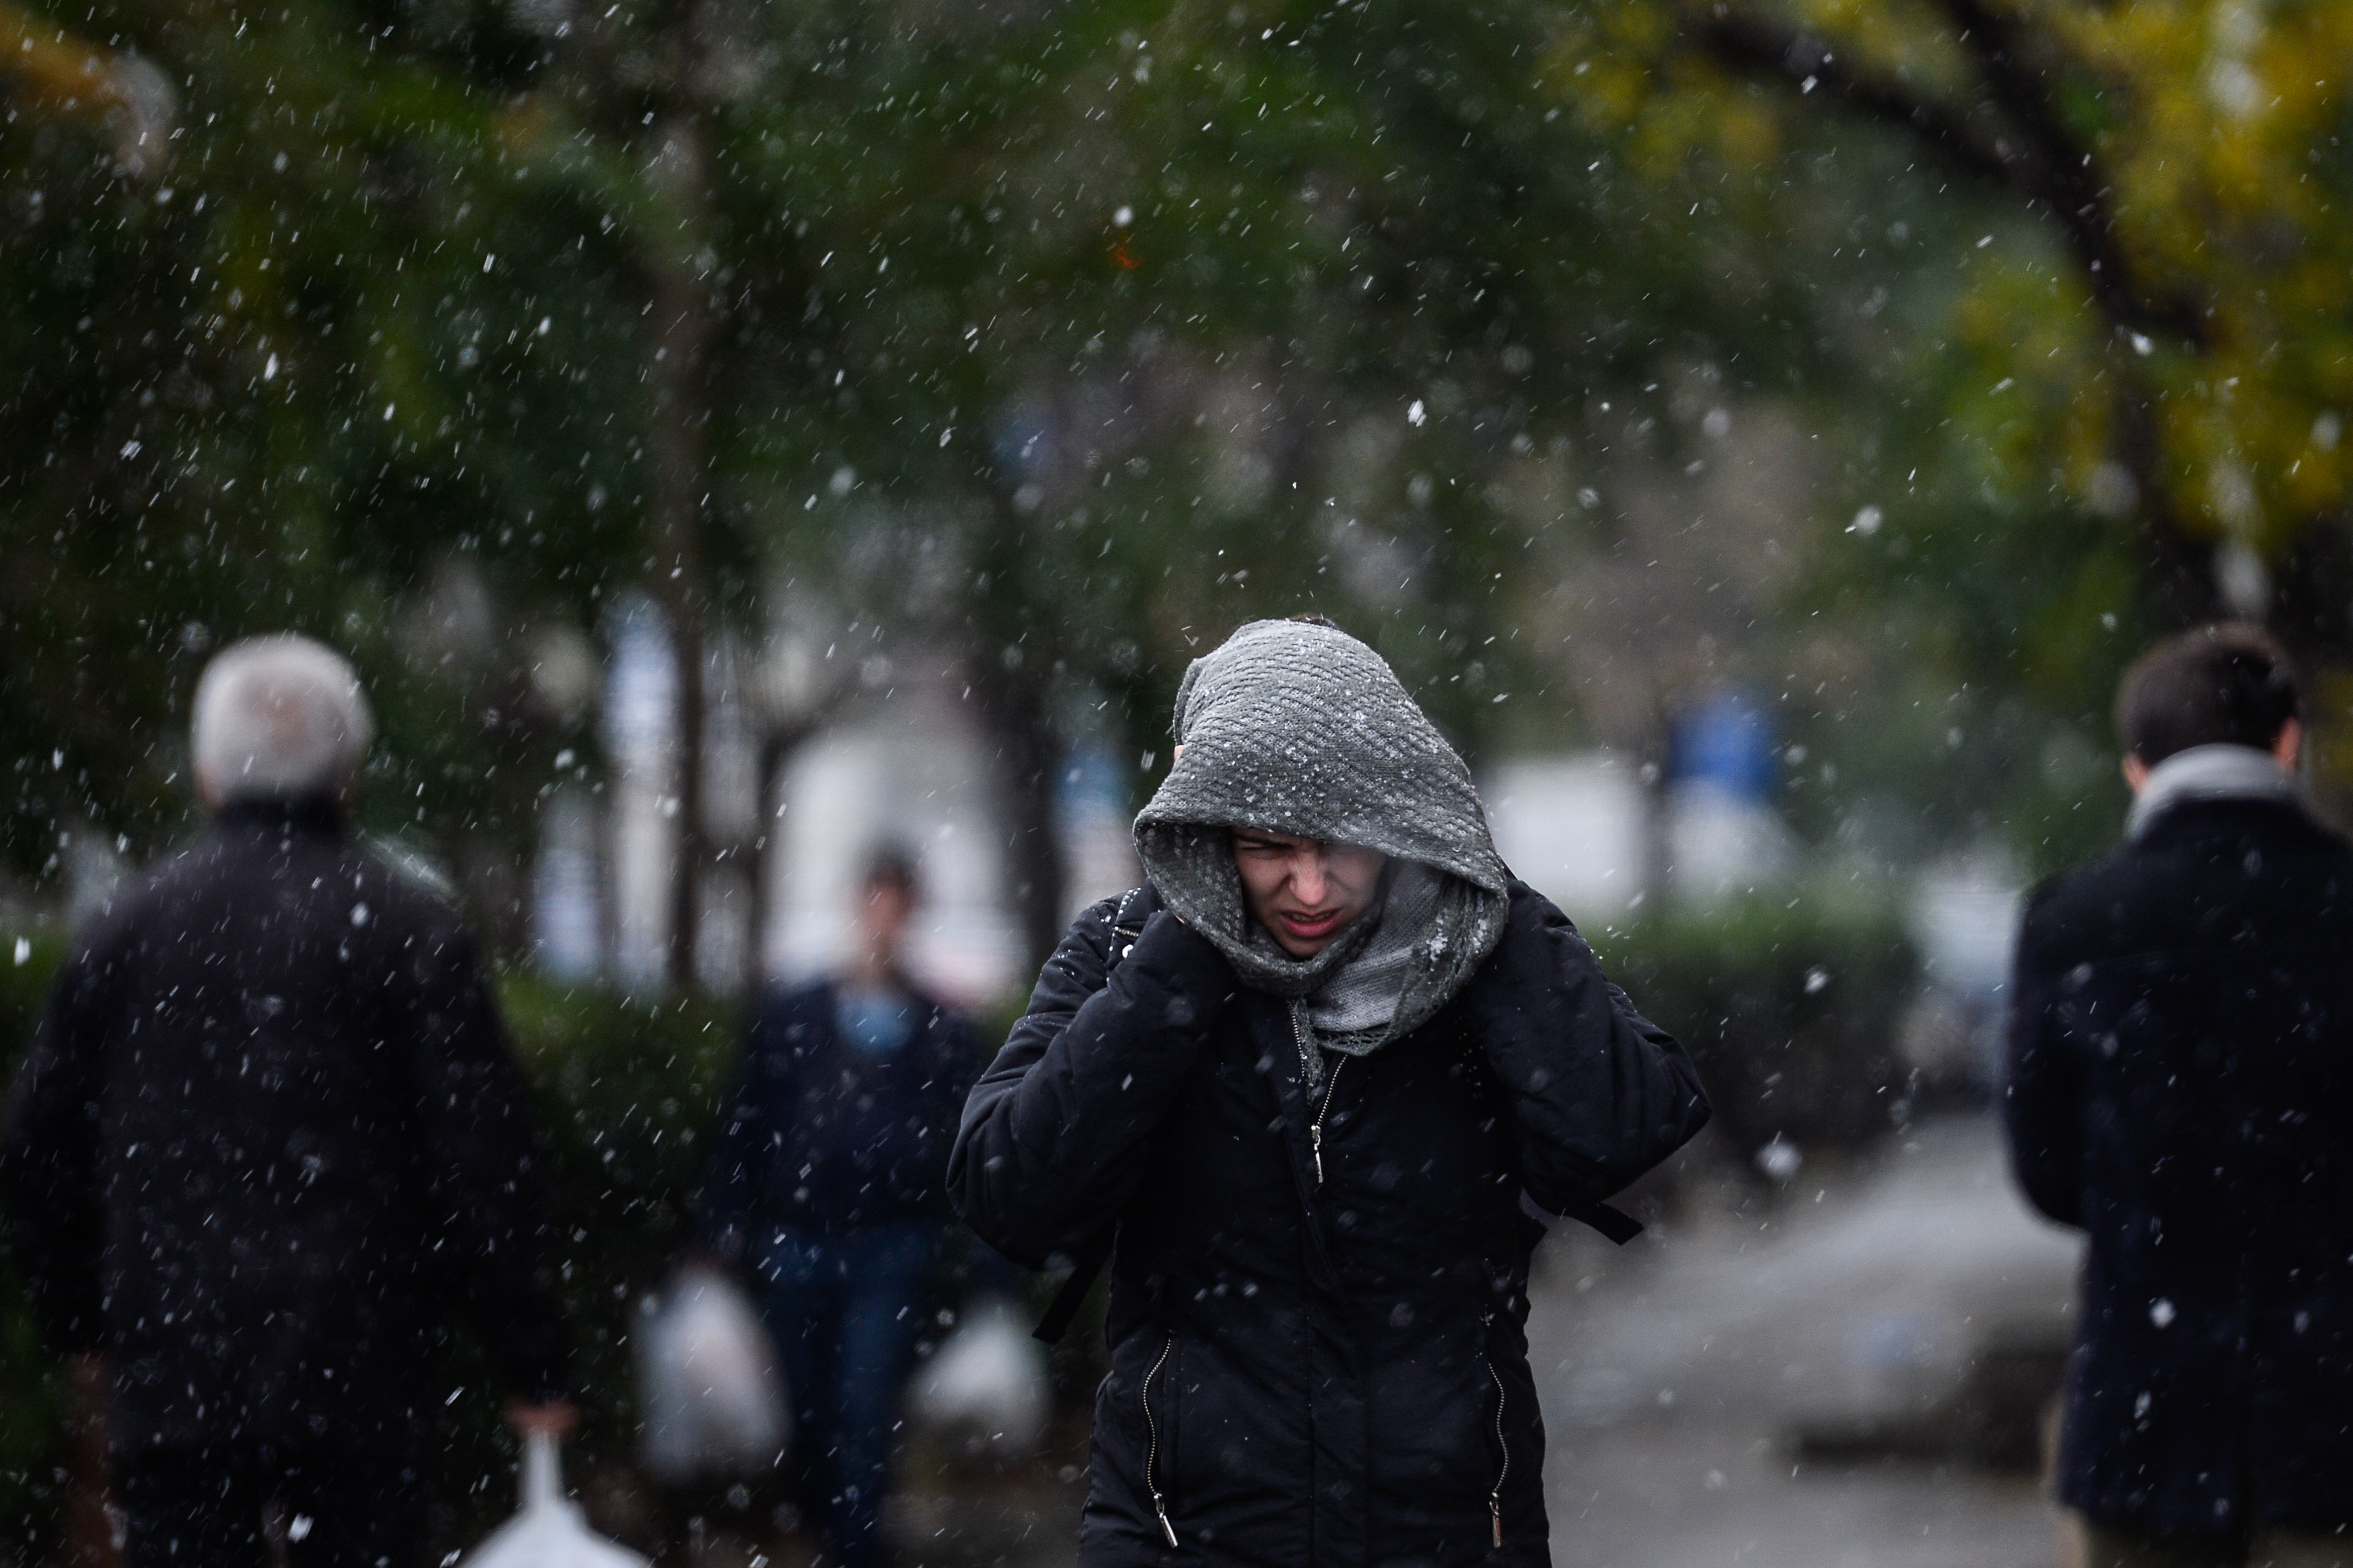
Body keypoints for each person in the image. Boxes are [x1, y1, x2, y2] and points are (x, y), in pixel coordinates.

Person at [950, 617, 1711, 1568]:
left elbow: (1622, 1127)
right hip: (1184, 1537)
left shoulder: (1472, 949)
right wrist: (1190, 948)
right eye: (1269, 845)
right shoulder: (1125, 955)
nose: (1310, 887)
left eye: (1342, 844)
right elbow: (1012, 1192)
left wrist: (1478, 882)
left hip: (1446, 1534)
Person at [1, 634, 574, 1568]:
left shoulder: (127, 931)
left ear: (206, 772)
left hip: (178, 1375)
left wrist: (83, 1323)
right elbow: (485, 1160)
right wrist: (531, 1355)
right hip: (361, 1377)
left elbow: (37, 1146)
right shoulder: (409, 931)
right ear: (349, 773)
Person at [2004, 622, 2353, 1568]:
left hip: (2143, 1426)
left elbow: (2044, 1174)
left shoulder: (2069, 922)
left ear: (2137, 769)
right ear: (2287, 744)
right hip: (2331, 1420)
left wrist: (2151, 1202)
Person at [701, 848, 981, 1568]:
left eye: (898, 903)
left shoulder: (940, 1029)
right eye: (876, 901)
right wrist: (720, 1227)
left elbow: (966, 1148)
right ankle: (836, 1530)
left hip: (888, 1246)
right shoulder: (794, 1012)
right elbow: (746, 1123)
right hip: (795, 1243)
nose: (884, 919)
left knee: (860, 1409)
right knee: (808, 1408)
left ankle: (854, 1545)